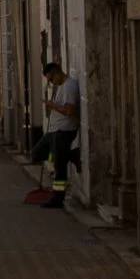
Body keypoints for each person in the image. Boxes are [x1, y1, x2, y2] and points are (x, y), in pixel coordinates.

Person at [42, 59, 81, 209]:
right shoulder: (62, 87)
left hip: (63, 131)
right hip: (56, 131)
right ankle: (71, 155)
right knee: (43, 154)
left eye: (51, 79)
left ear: (56, 73)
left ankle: (58, 197)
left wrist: (53, 106)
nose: (52, 82)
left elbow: (69, 111)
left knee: (60, 167)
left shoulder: (69, 87)